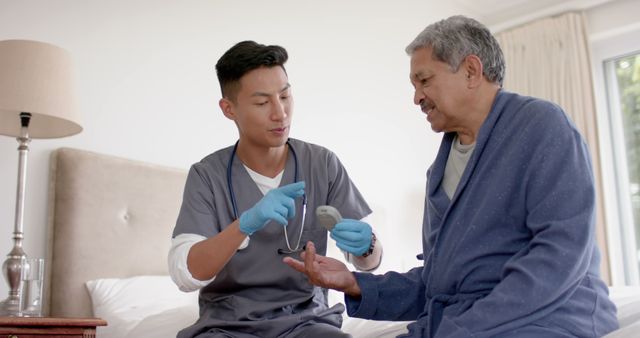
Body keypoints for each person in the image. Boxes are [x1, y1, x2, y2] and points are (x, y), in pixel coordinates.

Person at [284, 15, 619, 338]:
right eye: (414, 86)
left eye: (425, 81)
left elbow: (559, 256)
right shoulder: (440, 171)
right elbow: (438, 282)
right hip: (462, 324)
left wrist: (465, 329)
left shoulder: (542, 127)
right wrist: (355, 283)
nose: (416, 98)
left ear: (471, 71)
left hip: (543, 318)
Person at [168, 40, 382, 338]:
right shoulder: (207, 176)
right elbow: (186, 274)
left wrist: (367, 245)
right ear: (229, 109)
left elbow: (368, 262)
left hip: (308, 321)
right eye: (262, 102)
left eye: (285, 95)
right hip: (228, 325)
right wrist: (243, 225)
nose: (280, 113)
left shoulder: (322, 163)